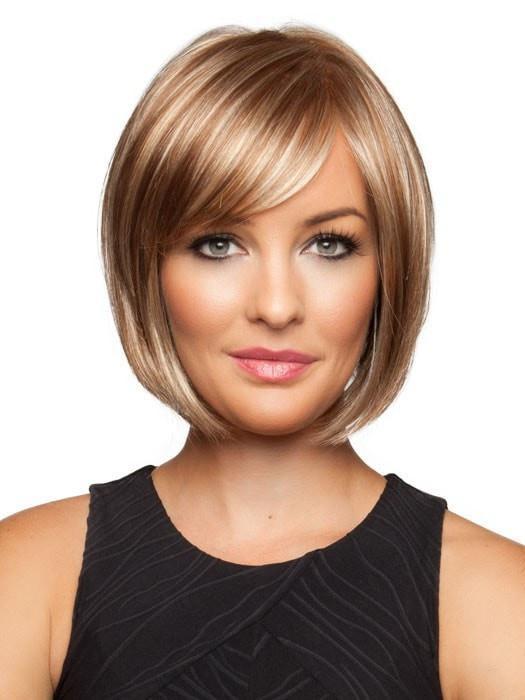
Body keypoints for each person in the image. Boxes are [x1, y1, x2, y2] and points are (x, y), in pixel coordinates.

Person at [1, 23, 524, 700]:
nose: (276, 306)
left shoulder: (494, 600)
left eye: (328, 245)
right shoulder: (27, 577)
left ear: (390, 270)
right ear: (147, 264)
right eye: (218, 243)